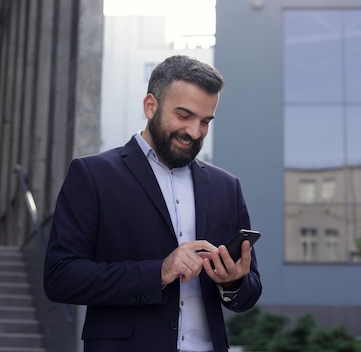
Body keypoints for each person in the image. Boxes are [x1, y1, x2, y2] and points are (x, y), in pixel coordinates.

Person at [44, 55, 262, 352]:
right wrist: (158, 272)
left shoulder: (227, 187)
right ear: (150, 106)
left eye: (205, 121)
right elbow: (60, 278)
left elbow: (248, 293)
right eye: (184, 116)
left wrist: (233, 282)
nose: (195, 132)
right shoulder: (92, 175)